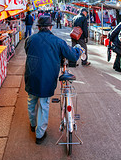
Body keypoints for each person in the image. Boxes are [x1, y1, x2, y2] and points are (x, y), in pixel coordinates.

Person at [24, 15, 82, 145]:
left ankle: (33, 125)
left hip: (31, 74)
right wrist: (78, 49)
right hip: (47, 76)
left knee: (31, 100)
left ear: (38, 27)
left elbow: (28, 52)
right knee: (44, 104)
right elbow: (72, 55)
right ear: (50, 27)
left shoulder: (30, 39)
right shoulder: (58, 41)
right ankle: (40, 134)